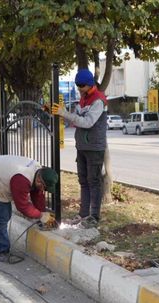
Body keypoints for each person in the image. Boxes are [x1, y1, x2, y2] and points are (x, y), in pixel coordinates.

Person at [0, 155, 58, 261]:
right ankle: (2, 252)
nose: (44, 190)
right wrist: (40, 215)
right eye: (45, 187)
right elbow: (23, 206)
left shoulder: (37, 172)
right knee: (1, 216)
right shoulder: (21, 179)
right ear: (40, 181)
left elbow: (37, 194)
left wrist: (42, 215)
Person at [52, 68, 107, 228]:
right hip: (82, 146)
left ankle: (94, 216)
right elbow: (76, 119)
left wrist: (65, 114)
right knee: (83, 181)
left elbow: (87, 122)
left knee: (94, 181)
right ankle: (83, 214)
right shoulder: (83, 99)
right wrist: (60, 113)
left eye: (81, 86)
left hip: (94, 148)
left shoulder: (98, 100)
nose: (79, 88)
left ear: (89, 84)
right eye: (77, 86)